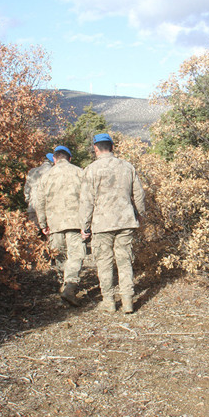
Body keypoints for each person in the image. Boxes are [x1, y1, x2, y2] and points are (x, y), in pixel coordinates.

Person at [80, 133, 145, 313]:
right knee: (125, 261)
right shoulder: (127, 167)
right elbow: (139, 194)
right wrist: (140, 214)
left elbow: (86, 201)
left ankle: (109, 301)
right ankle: (127, 301)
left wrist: (84, 226)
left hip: (102, 224)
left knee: (104, 262)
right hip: (125, 221)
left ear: (95, 148)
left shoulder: (90, 170)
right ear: (112, 147)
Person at [37, 146, 85, 307]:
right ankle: (70, 286)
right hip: (75, 221)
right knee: (76, 254)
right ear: (69, 158)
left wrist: (43, 224)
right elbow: (87, 197)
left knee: (59, 254)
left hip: (54, 222)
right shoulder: (79, 172)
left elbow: (40, 202)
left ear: (54, 159)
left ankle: (62, 285)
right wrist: (87, 223)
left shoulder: (46, 176)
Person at [24, 153, 54, 225]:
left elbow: (26, 190)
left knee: (33, 232)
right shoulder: (53, 172)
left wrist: (29, 200)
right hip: (48, 209)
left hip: (33, 207)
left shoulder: (32, 171)